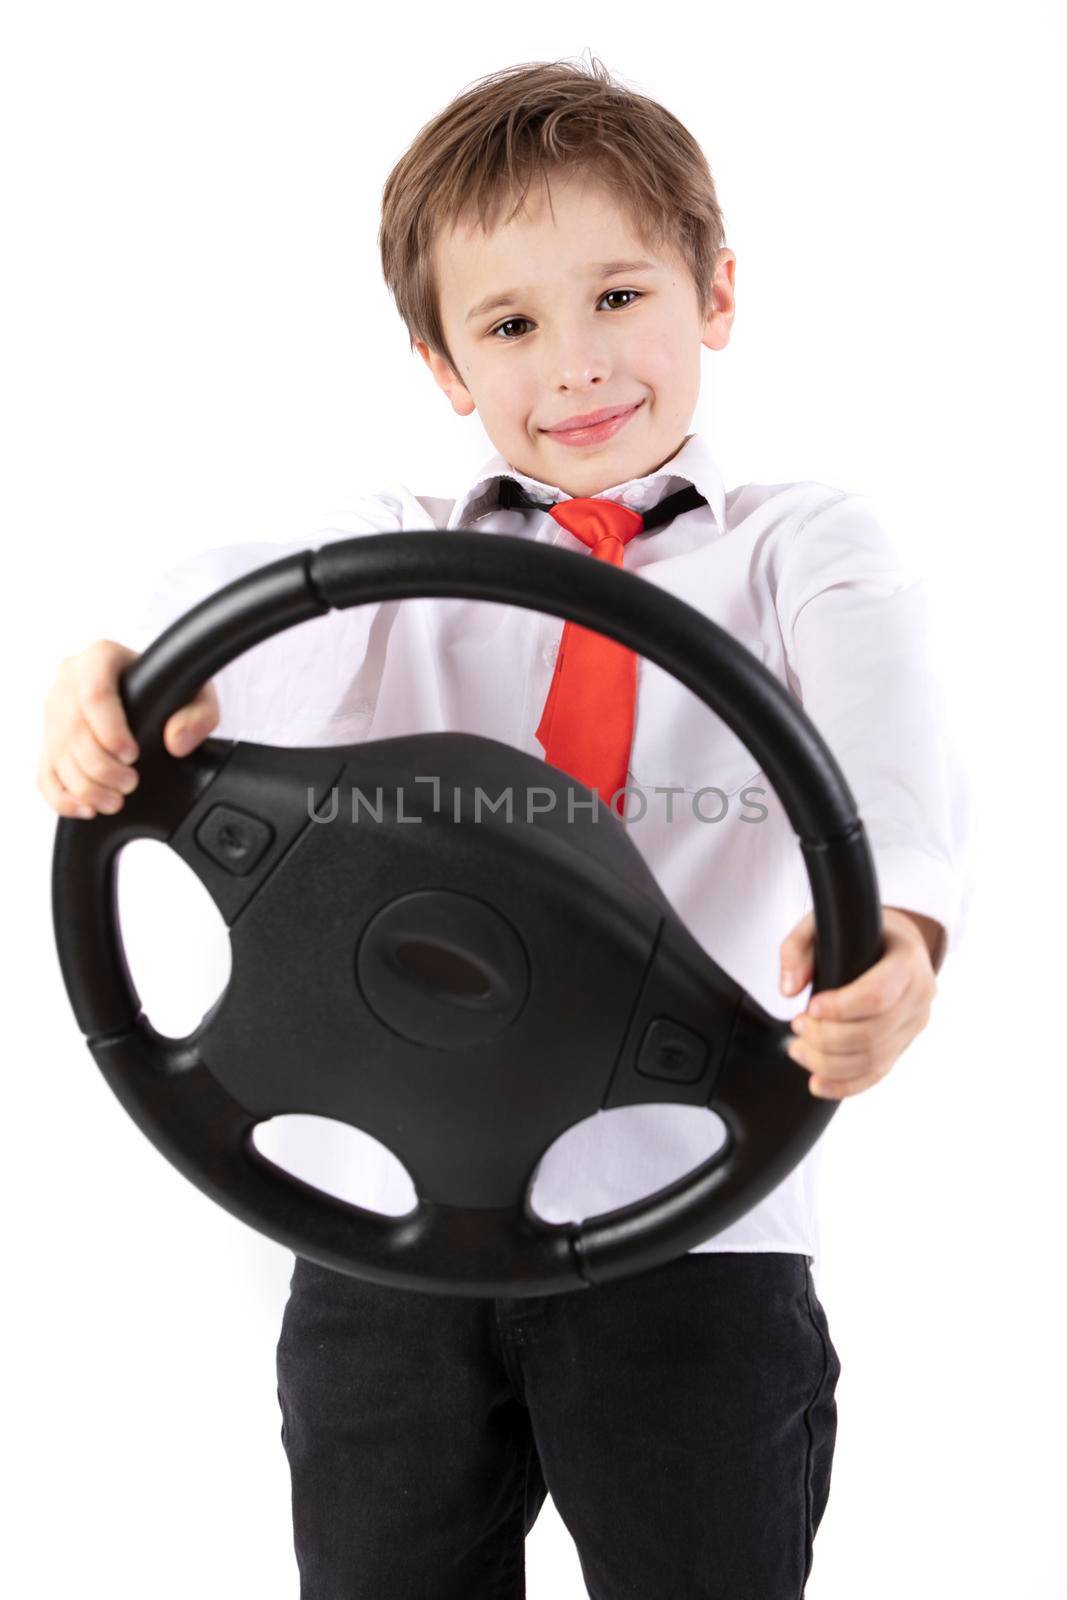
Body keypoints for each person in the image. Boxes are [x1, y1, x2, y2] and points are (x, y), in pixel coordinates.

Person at [37, 54, 972, 1600]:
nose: (580, 365)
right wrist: (134, 665)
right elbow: (252, 601)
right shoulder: (393, 558)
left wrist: (902, 927)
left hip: (703, 1225)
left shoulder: (803, 548)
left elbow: (885, 738)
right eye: (515, 325)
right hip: (387, 1237)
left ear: (715, 293)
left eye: (619, 297)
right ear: (444, 365)